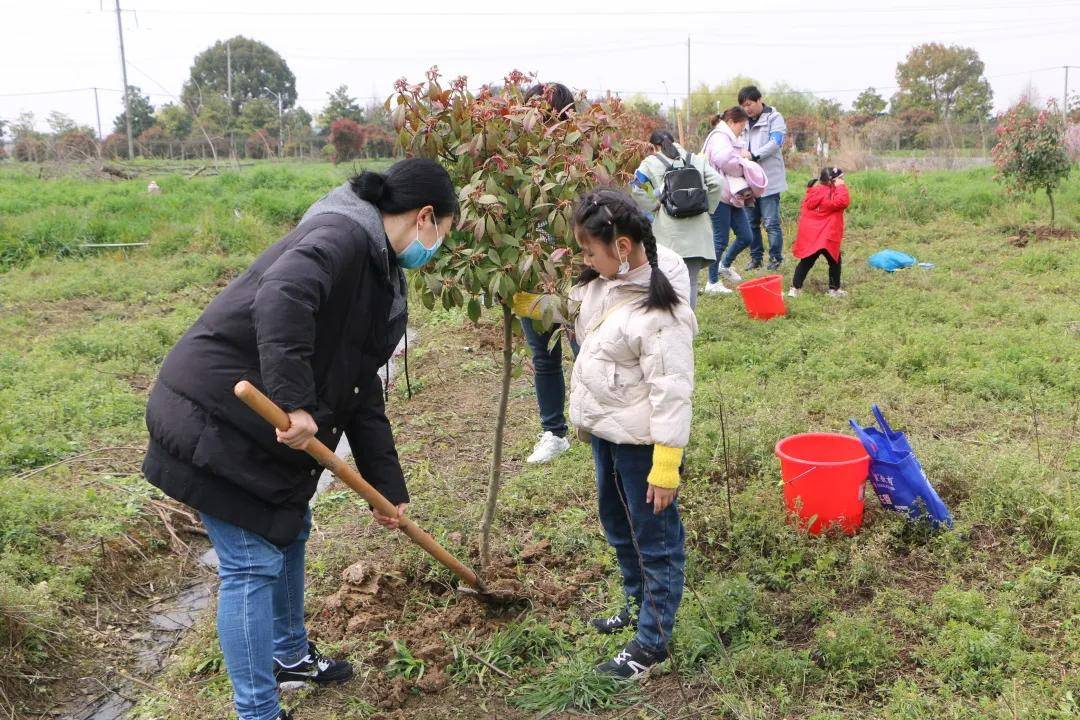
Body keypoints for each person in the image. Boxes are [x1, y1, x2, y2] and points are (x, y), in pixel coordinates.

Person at [141, 158, 458, 720]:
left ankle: (288, 657)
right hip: (214, 414)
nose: (436, 249)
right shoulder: (339, 235)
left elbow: (362, 390)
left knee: (291, 526)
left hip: (259, 429)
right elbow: (281, 297)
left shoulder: (380, 270)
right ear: (426, 217)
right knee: (248, 562)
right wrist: (295, 402)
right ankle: (258, 711)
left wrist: (387, 489)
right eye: (443, 234)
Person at [568, 189, 695, 680]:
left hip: (644, 448)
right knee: (619, 525)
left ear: (622, 247)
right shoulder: (604, 285)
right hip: (608, 435)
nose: (585, 260)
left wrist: (666, 466)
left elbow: (672, 392)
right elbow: (569, 309)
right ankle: (635, 601)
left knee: (654, 538)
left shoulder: (660, 314)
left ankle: (652, 641)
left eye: (589, 250)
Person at [514, 82, 578, 463]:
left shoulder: (580, 159)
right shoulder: (514, 160)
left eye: (551, 113)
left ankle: (598, 425)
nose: (543, 121)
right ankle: (554, 432)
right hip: (529, 278)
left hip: (575, 276)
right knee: (543, 357)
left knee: (586, 350)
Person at [630, 128, 723, 308]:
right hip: (698, 234)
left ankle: (669, 323)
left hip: (668, 234)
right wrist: (707, 206)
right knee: (691, 282)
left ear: (653, 146)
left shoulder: (650, 162)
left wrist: (654, 204)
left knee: (668, 280)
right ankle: (687, 326)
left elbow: (636, 186)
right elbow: (717, 183)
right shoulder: (695, 159)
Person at [700, 107, 763, 295]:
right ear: (731, 122)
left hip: (734, 194)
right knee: (720, 239)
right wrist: (743, 162)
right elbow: (727, 162)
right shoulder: (720, 137)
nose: (742, 130)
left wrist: (742, 157)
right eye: (741, 126)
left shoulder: (730, 137)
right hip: (718, 195)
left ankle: (724, 265)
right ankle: (712, 283)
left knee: (746, 236)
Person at [738, 85, 789, 271]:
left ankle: (775, 259)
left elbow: (775, 142)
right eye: (744, 105)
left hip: (769, 180)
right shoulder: (742, 122)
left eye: (750, 104)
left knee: (771, 223)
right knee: (751, 223)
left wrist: (754, 155)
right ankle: (756, 258)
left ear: (760, 100)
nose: (747, 108)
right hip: (748, 182)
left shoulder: (774, 118)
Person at [789, 167, 850, 298]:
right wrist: (840, 187)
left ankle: (795, 289)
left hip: (812, 236)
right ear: (831, 181)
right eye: (840, 178)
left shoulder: (814, 192)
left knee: (806, 261)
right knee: (835, 261)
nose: (842, 180)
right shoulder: (830, 195)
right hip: (826, 236)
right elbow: (843, 202)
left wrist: (836, 186)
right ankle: (834, 290)